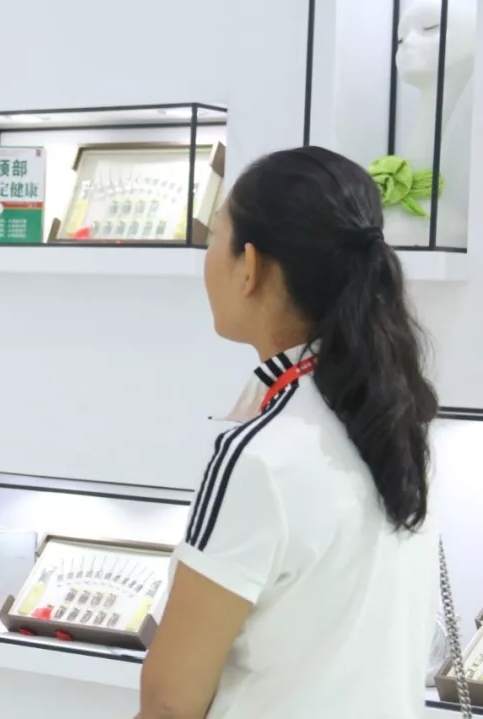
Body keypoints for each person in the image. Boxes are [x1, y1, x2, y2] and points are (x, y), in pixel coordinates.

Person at [138, 146, 440, 718]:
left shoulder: (259, 455)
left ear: (249, 266)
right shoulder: (396, 424)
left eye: (215, 238)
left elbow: (170, 701)